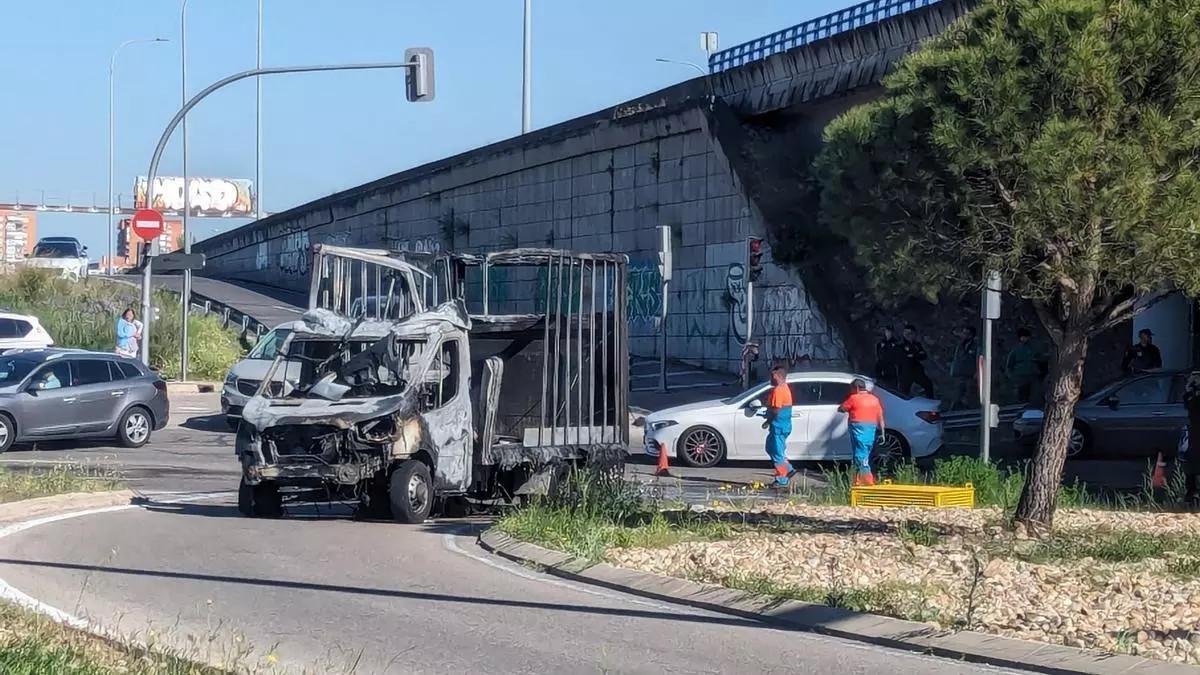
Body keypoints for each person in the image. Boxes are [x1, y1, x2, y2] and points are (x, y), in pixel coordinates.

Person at [838, 378, 885, 486]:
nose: (851, 391)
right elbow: (880, 416)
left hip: (858, 428)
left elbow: (842, 408)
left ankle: (867, 481)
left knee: (860, 455)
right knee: (864, 453)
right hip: (871, 430)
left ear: (857, 388)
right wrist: (882, 432)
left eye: (852, 389)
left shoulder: (854, 398)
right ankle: (857, 480)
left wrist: (844, 405)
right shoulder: (875, 399)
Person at [761, 364, 794, 488]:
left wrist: (768, 420)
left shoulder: (779, 390)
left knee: (776, 451)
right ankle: (788, 469)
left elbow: (776, 410)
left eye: (771, 375)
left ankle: (782, 479)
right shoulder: (783, 388)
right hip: (781, 425)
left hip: (779, 426)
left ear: (777, 376)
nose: (770, 378)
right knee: (770, 447)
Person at [1005, 328, 1040, 404]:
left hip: (1032, 375)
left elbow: (1038, 359)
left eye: (1027, 337)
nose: (1026, 339)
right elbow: (1009, 364)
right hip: (1020, 376)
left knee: (1032, 395)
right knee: (1021, 395)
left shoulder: (1033, 348)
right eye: (1024, 337)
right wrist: (1011, 375)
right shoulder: (1015, 350)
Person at [898, 324, 934, 398]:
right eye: (905, 333)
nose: (907, 335)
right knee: (903, 392)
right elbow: (902, 357)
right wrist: (914, 355)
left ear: (914, 334)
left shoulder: (917, 344)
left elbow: (923, 356)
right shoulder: (901, 345)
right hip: (906, 371)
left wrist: (913, 355)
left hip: (917, 370)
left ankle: (931, 403)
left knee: (928, 385)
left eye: (910, 333)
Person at [949, 325, 979, 410]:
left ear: (971, 335)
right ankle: (953, 410)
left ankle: (971, 410)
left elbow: (978, 358)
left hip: (971, 374)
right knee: (957, 394)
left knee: (970, 393)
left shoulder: (976, 346)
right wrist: (953, 370)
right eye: (964, 333)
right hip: (960, 373)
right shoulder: (960, 345)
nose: (965, 335)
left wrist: (977, 372)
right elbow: (956, 359)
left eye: (967, 333)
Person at [1183, 372, 1200, 507]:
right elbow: (1188, 404)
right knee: (1193, 462)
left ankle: (1192, 493)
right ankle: (1192, 493)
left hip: (1196, 433)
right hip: (1195, 433)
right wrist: (1190, 389)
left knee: (1193, 462)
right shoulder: (1192, 397)